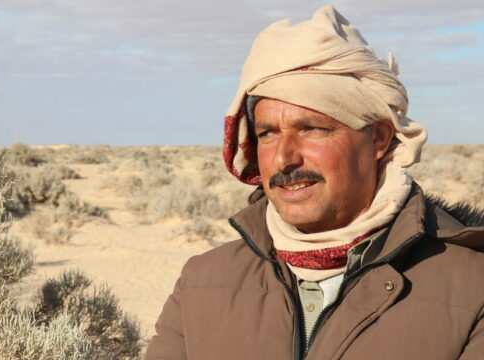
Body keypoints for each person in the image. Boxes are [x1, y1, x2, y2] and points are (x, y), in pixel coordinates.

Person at [144, 5, 484, 360]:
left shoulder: (472, 289)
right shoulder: (202, 281)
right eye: (268, 133)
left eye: (312, 129)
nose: (284, 158)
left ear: (379, 139)